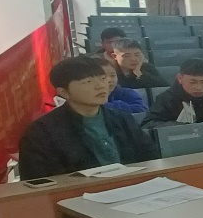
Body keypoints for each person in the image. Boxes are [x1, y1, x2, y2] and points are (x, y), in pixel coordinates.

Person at [18, 56, 158, 180]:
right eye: (87, 81)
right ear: (64, 92)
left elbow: (150, 156)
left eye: (102, 78)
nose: (101, 86)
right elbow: (38, 181)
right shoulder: (41, 132)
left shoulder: (122, 119)